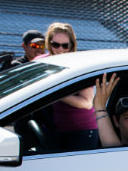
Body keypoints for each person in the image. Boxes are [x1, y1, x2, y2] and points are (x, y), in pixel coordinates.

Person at [41, 22, 97, 151]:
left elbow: (87, 102)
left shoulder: (79, 65)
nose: (60, 49)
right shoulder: (42, 62)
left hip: (81, 132)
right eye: (56, 45)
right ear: (49, 43)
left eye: (65, 46)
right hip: (51, 130)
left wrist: (54, 92)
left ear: (72, 45)